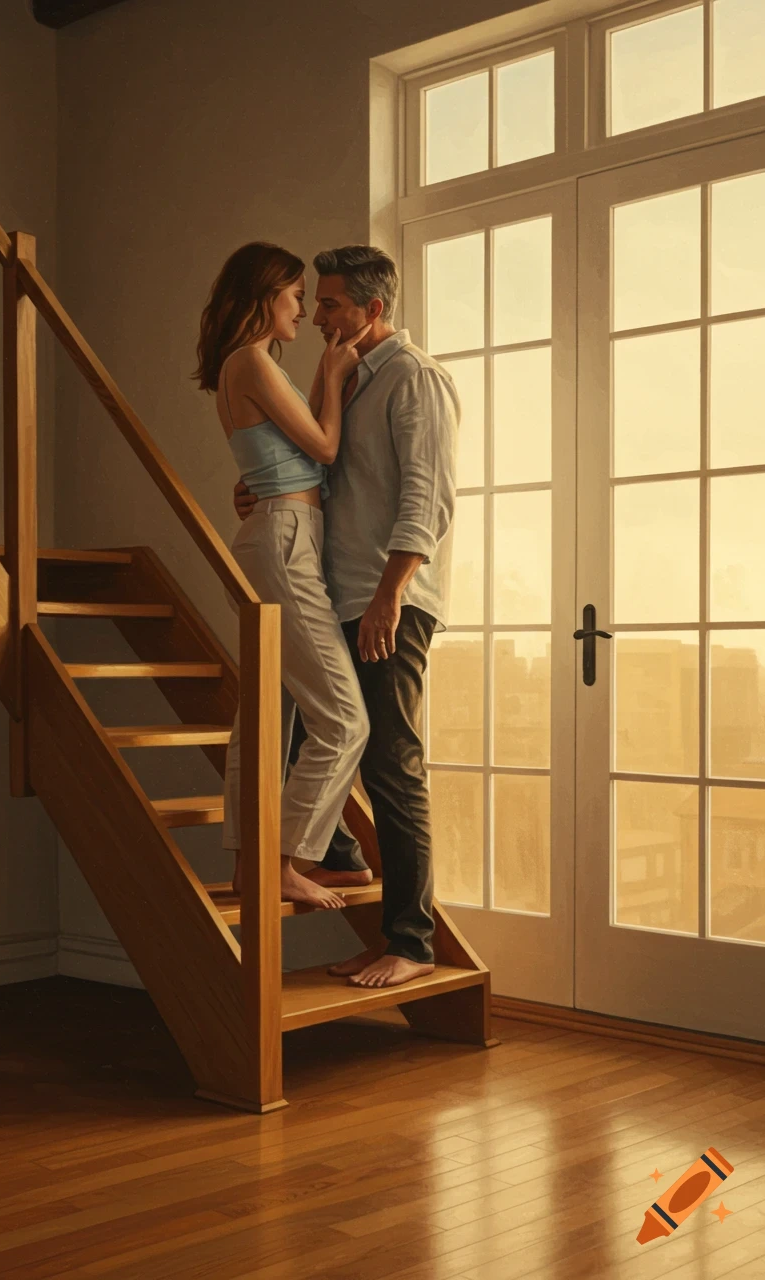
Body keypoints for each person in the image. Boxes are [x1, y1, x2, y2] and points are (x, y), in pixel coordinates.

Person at [235, 245, 459, 989]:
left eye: (330, 304)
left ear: (372, 311)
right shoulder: (350, 374)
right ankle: (342, 859)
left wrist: (390, 596)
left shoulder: (414, 378)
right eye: (315, 302)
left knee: (391, 764)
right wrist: (260, 490)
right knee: (325, 728)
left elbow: (427, 499)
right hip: (339, 593)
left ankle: (412, 941)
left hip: (385, 600)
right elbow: (328, 472)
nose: (318, 315)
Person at [195, 241, 371, 910]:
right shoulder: (250, 361)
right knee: (345, 719)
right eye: (296, 295)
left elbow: (287, 462)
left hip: (280, 533)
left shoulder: (251, 365)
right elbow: (323, 447)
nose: (304, 308)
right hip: (283, 539)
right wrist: (331, 373)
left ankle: (251, 865)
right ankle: (285, 859)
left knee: (268, 715)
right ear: (266, 297)